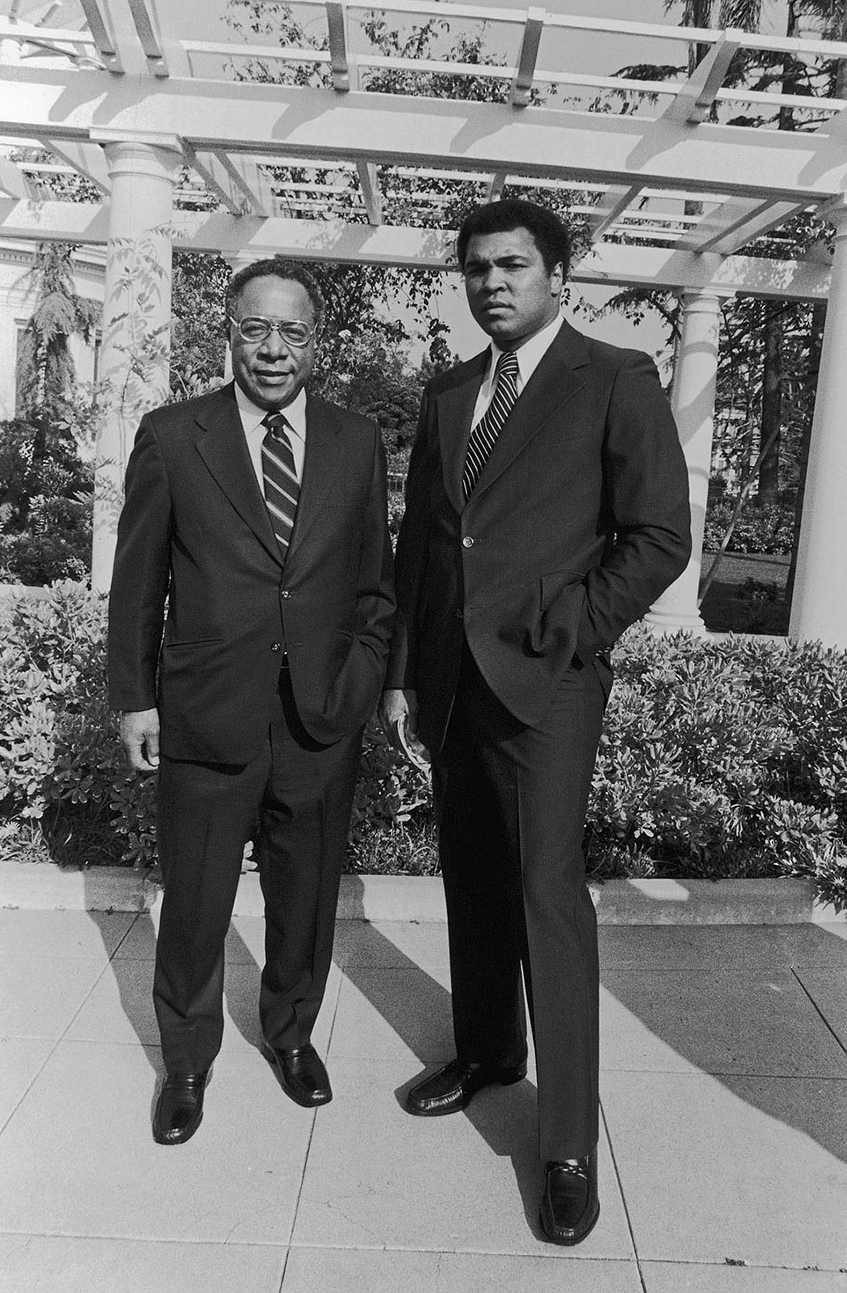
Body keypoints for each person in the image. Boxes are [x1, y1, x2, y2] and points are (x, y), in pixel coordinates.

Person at [380, 200, 691, 1245]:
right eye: (474, 269)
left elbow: (657, 537)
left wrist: (573, 631)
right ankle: (484, 1054)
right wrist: (400, 674)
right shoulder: (448, 393)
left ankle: (563, 1143)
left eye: (512, 265)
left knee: (546, 896)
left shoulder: (615, 379)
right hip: (449, 683)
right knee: (469, 875)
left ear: (559, 273)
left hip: (548, 684)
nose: (491, 283)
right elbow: (423, 545)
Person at [108, 259, 395, 1145]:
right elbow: (137, 584)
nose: (274, 349)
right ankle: (187, 1060)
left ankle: (292, 1035)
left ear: (318, 342)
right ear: (229, 332)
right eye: (256, 329)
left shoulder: (358, 442)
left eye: (293, 332)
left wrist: (364, 681)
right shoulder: (172, 434)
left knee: (304, 896)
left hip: (319, 715)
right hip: (204, 709)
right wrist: (135, 699)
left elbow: (375, 588)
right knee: (194, 899)